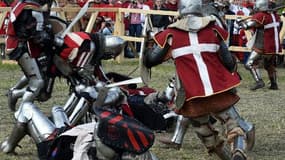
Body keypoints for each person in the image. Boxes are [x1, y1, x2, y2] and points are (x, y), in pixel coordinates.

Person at [143, 0, 252, 159]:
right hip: (218, 89)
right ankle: (238, 149)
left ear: (181, 10)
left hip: (192, 94)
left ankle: (225, 156)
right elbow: (229, 62)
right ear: (199, 9)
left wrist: (146, 47)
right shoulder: (214, 30)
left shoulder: (170, 34)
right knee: (231, 123)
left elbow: (151, 60)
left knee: (203, 130)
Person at [5, 0, 53, 112]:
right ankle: (23, 113)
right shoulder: (29, 8)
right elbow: (27, 32)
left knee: (36, 73)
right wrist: (45, 36)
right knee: (37, 82)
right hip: (20, 45)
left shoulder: (21, 3)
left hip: (22, 43)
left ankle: (15, 92)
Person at [238, 0, 281, 90]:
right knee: (269, 65)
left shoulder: (261, 16)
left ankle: (259, 81)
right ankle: (274, 84)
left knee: (249, 64)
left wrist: (240, 22)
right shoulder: (276, 16)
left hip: (262, 45)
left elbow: (247, 26)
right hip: (274, 46)